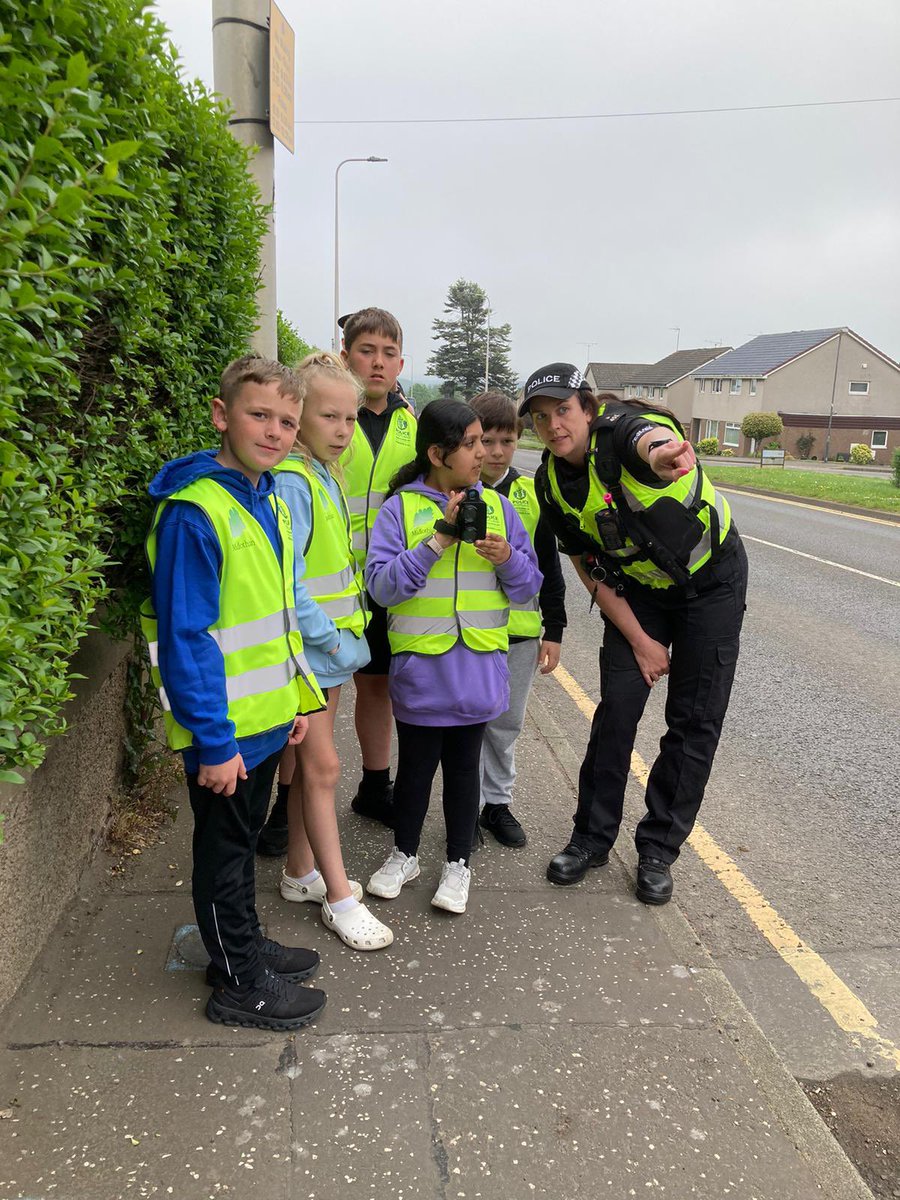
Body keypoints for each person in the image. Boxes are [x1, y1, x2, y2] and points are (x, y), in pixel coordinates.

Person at [142, 355, 328, 1030]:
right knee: (224, 857)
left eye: (287, 420)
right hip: (225, 735)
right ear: (222, 415)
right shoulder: (196, 515)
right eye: (259, 415)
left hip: (265, 721)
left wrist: (297, 701)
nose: (275, 431)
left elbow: (273, 618)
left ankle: (242, 947)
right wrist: (215, 743)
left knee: (244, 846)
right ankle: (238, 985)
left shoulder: (269, 498)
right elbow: (186, 640)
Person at [524, 363, 748, 905]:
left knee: (693, 723)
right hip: (639, 598)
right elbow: (585, 563)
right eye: (540, 417)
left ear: (588, 408)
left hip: (712, 586)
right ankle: (591, 839)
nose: (553, 425)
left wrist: (662, 452)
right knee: (617, 711)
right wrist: (641, 641)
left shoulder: (620, 434)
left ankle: (657, 849)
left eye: (563, 410)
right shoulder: (549, 483)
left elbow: (647, 439)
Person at [364, 400, 543, 914]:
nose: (482, 452)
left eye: (483, 441)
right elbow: (381, 588)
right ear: (437, 453)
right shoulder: (401, 508)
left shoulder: (502, 508)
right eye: (470, 444)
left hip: (479, 668)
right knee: (416, 771)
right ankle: (405, 854)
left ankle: (458, 863)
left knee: (465, 772)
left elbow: (529, 588)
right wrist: (437, 540)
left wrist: (507, 558)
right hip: (423, 667)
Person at [261, 352, 393, 951]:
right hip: (313, 654)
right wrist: (333, 638)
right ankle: (339, 898)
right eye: (328, 416)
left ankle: (299, 873)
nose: (343, 430)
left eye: (349, 417)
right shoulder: (294, 480)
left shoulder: (320, 475)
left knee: (308, 768)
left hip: (329, 657)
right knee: (322, 770)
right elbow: (287, 586)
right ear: (298, 416)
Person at [468, 391, 566, 848]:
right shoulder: (455, 491)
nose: (496, 451)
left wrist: (556, 630)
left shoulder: (530, 493)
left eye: (506, 440)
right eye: (486, 440)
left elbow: (548, 565)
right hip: (465, 633)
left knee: (507, 723)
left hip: (520, 635)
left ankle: (497, 804)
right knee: (467, 724)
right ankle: (464, 805)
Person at [339, 308, 417, 828]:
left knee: (378, 687)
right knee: (312, 695)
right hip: (329, 583)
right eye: (367, 350)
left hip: (390, 584)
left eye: (388, 353)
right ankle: (287, 800)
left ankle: (374, 784)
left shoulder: (414, 427)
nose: (377, 362)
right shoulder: (324, 417)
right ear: (346, 356)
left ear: (401, 363)